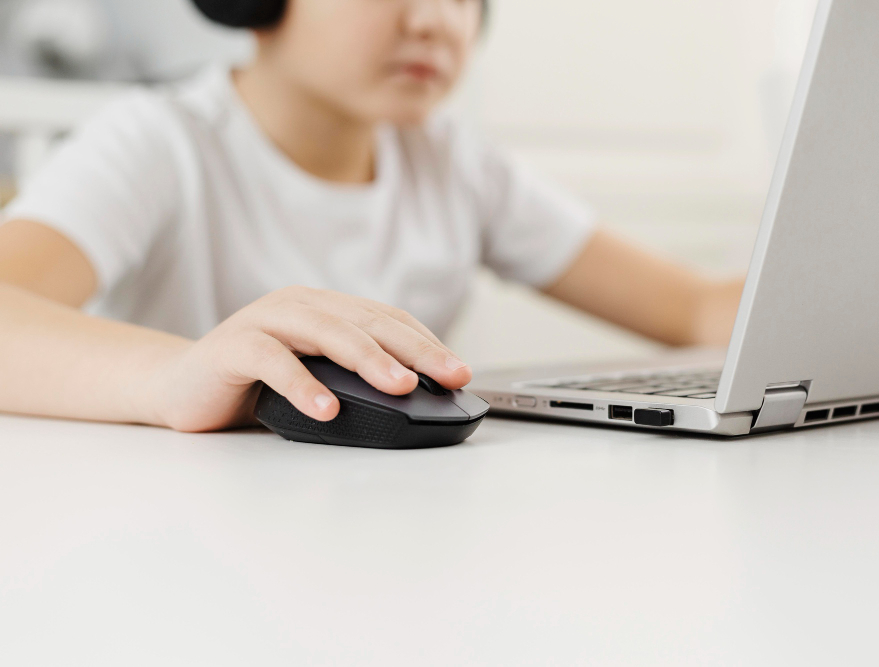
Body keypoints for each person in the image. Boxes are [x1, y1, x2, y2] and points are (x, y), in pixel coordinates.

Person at [0, 0, 743, 433]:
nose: (433, 20)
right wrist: (177, 376)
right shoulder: (160, 141)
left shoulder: (451, 161)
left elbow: (693, 307)